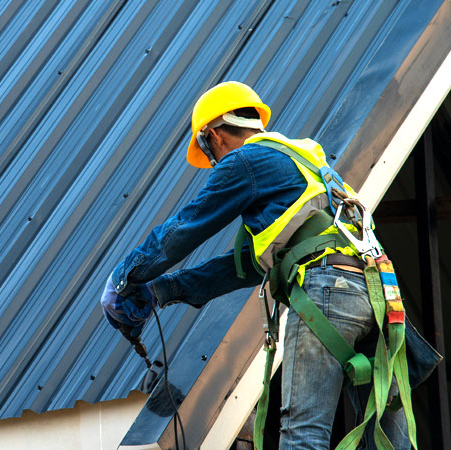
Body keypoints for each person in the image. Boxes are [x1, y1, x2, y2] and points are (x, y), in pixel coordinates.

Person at [99, 81, 435, 449]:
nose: (214, 163)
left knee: (303, 433)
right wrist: (163, 290)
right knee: (388, 439)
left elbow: (185, 229)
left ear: (212, 135)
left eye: (210, 154)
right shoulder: (304, 166)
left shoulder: (246, 161)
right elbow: (242, 267)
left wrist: (124, 278)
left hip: (326, 292)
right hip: (376, 296)